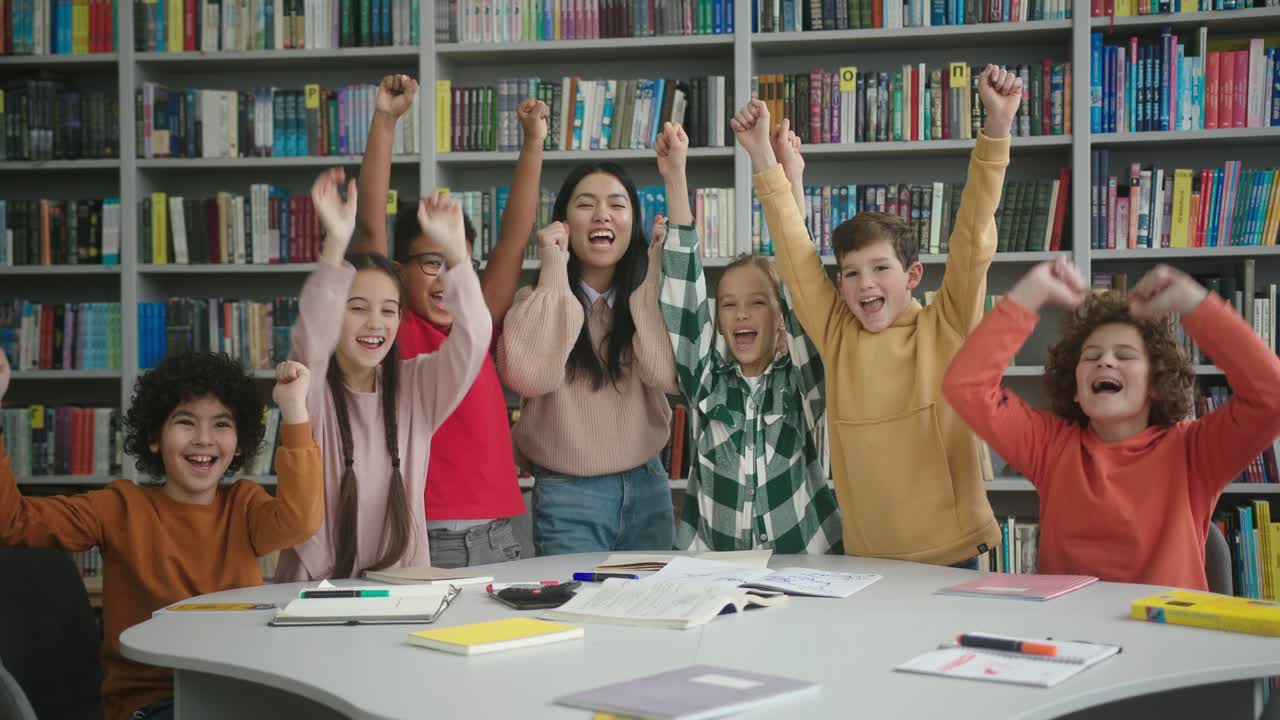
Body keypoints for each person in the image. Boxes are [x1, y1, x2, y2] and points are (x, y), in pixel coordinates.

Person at [732, 64, 1023, 567]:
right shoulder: (838, 334)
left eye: (880, 269)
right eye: (850, 273)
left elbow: (974, 234)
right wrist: (761, 155)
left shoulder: (947, 322)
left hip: (953, 555)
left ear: (913, 275)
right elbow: (797, 258)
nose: (865, 284)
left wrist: (996, 128)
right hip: (868, 561)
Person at [0, 348, 322, 720]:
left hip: (238, 691)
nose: (203, 439)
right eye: (186, 422)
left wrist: (294, 408)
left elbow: (301, 520)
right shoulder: (119, 506)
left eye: (221, 424)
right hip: (154, 704)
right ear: (155, 436)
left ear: (238, 446)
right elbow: (13, 521)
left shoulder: (245, 505)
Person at [943, 259, 1280, 588]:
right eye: (1091, 357)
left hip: (1166, 635)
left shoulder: (1194, 453)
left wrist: (1193, 303)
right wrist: (1031, 292)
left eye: (1125, 355)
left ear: (1156, 383)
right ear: (1076, 390)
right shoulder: (1051, 447)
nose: (1105, 361)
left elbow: (1272, 397)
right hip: (1071, 635)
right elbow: (967, 386)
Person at [349, 74, 542, 567]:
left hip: (501, 536)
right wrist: (386, 120)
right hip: (423, 542)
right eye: (429, 263)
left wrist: (533, 143)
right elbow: (371, 227)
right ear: (398, 271)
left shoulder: (476, 320)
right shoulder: (394, 330)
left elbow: (513, 241)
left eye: (453, 263)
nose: (443, 279)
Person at [274, 170, 489, 580]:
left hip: (402, 582)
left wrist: (457, 259)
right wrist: (336, 243)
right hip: (314, 585)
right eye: (357, 307)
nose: (375, 324)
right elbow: (312, 337)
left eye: (388, 310)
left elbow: (475, 337)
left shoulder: (417, 388)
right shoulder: (311, 389)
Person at [653, 121, 841, 553]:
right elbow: (684, 299)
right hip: (716, 574)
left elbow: (803, 284)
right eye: (728, 304)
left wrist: (785, 173)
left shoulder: (800, 382)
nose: (740, 312)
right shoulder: (706, 381)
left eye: (757, 302)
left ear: (780, 319)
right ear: (717, 319)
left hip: (804, 568)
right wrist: (675, 177)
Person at [497, 160, 679, 555]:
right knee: (574, 611)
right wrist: (554, 270)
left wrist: (654, 275)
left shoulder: (649, 302)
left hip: (648, 486)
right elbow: (529, 377)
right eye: (585, 205)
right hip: (569, 496)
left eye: (617, 204)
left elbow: (667, 375)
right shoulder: (537, 302)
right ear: (562, 223)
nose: (602, 215)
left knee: (654, 610)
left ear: (633, 222)